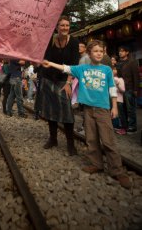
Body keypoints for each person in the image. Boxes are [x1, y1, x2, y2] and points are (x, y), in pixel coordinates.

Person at [42, 40, 131, 189]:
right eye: (95, 51)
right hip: (88, 110)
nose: (98, 54)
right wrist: (50, 64)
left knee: (108, 141)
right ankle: (97, 164)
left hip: (103, 110)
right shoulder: (82, 68)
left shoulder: (107, 70)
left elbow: (111, 88)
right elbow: (66, 68)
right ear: (89, 53)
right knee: (91, 139)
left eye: (101, 51)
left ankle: (117, 171)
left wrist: (114, 106)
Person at [39, 16, 79, 155]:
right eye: (62, 25)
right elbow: (43, 57)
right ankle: (53, 139)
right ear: (57, 27)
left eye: (67, 25)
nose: (65, 28)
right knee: (50, 110)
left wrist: (69, 82)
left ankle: (70, 144)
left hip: (64, 80)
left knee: (67, 112)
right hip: (48, 78)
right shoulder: (50, 40)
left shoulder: (74, 42)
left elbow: (74, 64)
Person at [117, 45, 139, 133]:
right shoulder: (118, 63)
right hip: (120, 88)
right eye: (119, 51)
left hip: (129, 88)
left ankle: (132, 126)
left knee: (130, 108)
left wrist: (136, 89)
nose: (120, 52)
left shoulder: (132, 62)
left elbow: (136, 76)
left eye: (122, 51)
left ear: (127, 52)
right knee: (122, 108)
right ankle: (124, 125)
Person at [112, 66, 126, 135]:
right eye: (113, 69)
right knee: (114, 115)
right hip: (112, 100)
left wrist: (117, 85)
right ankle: (115, 127)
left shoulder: (120, 79)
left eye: (115, 69)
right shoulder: (111, 79)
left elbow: (123, 90)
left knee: (121, 115)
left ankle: (123, 128)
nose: (114, 71)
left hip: (119, 100)